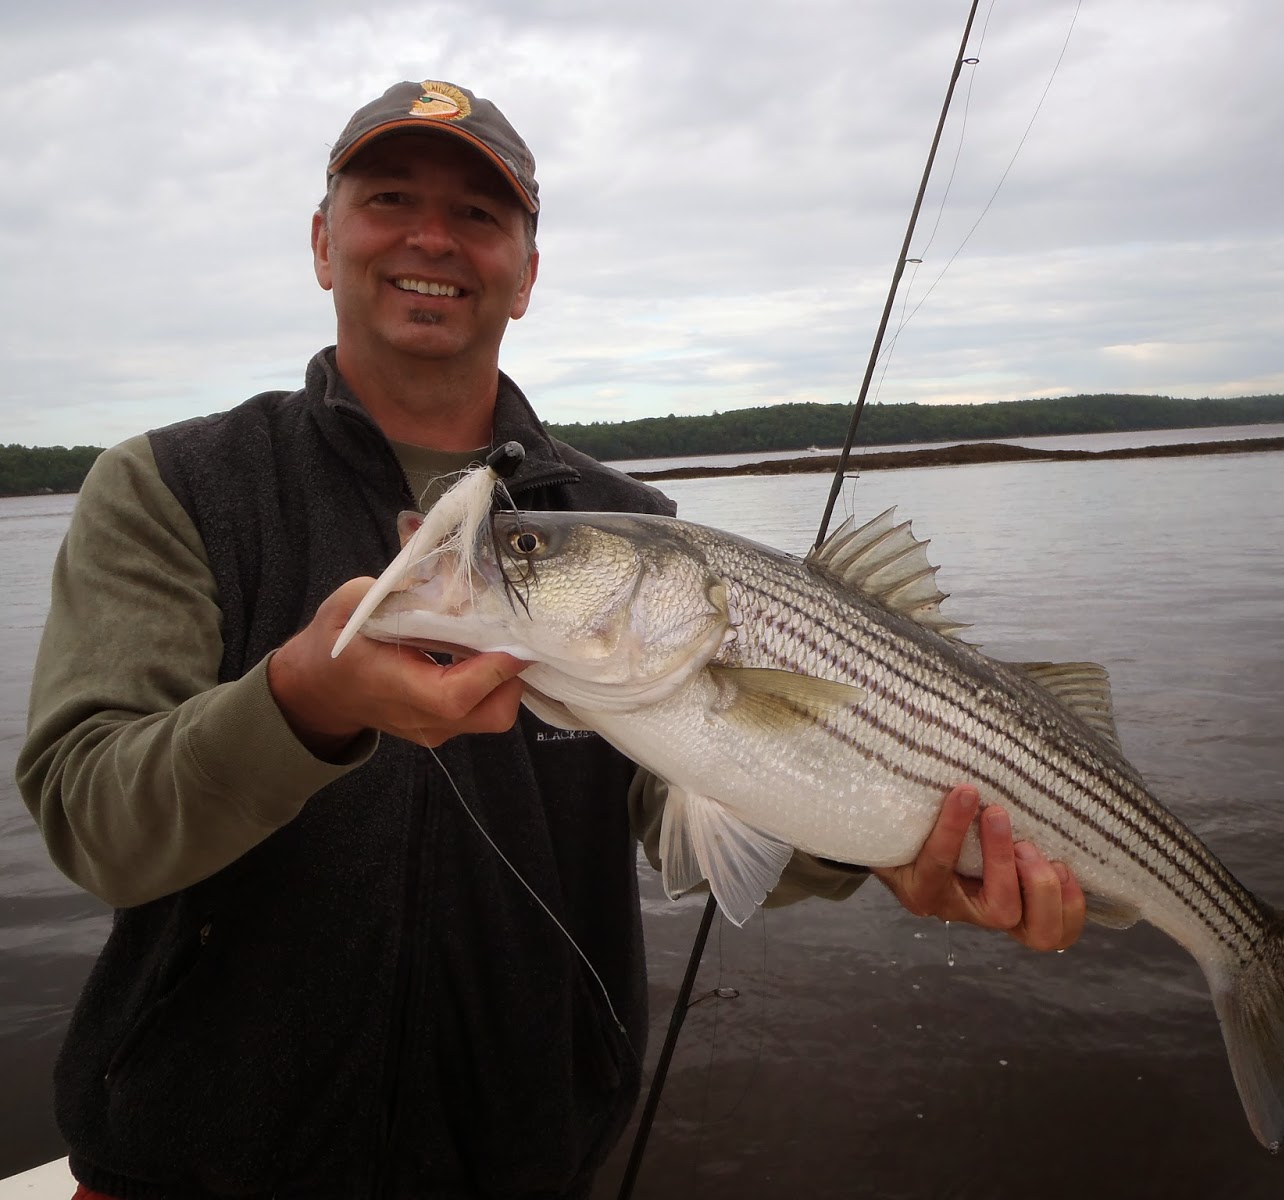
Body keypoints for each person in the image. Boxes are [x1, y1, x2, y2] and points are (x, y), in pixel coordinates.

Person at [17, 80, 1084, 1199]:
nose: (433, 237)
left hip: (520, 1164)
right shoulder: (174, 487)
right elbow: (95, 830)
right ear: (323, 241)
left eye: (481, 215)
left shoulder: (642, 535)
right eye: (390, 198)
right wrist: (301, 701)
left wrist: (886, 844)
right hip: (184, 1167)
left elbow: (694, 824)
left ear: (526, 273)